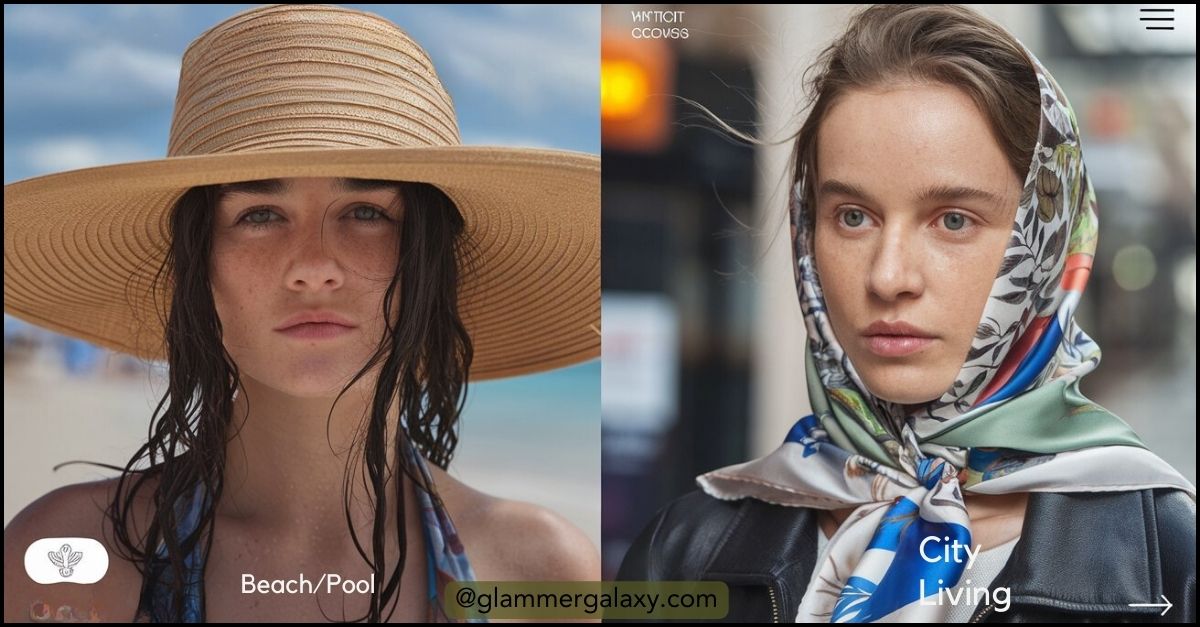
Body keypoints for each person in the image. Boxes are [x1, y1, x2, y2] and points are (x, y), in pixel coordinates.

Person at [3, 5, 600, 623]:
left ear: (429, 262)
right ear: (197, 269)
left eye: (367, 211)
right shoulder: (72, 559)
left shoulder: (540, 569)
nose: (314, 266)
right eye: (259, 214)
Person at [617, 4, 1195, 623]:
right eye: (853, 216)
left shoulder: (1169, 565)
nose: (888, 276)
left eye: (953, 220)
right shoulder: (683, 550)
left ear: (1048, 244)